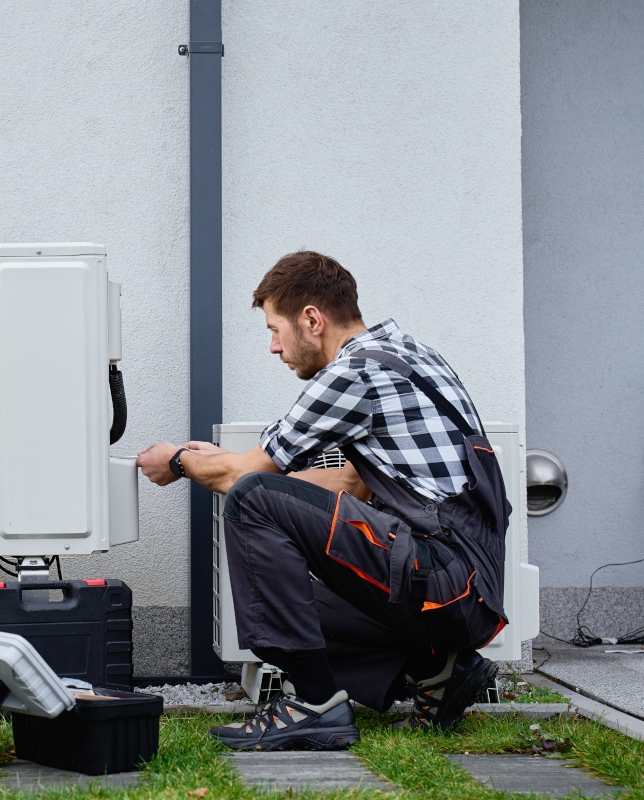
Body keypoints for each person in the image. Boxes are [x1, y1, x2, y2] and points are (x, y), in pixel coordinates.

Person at [138, 251, 510, 751]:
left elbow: (247, 479)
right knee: (286, 592)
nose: (274, 347)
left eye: (276, 330)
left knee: (251, 499)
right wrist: (229, 464)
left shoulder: (354, 373)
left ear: (312, 320)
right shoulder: (409, 354)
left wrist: (177, 461)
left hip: (443, 579)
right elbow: (350, 485)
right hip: (465, 588)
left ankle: (314, 704)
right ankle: (439, 670)